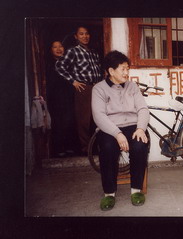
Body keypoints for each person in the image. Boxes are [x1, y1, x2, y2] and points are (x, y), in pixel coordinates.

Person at [91, 50, 150, 211]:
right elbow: (98, 116)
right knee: (108, 148)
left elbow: (143, 109)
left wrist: (140, 128)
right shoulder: (99, 89)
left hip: (133, 126)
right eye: (123, 69)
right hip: (109, 128)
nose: (126, 72)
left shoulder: (132, 86)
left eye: (127, 68)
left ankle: (136, 190)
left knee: (139, 146)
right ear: (111, 71)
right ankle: (109, 193)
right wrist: (117, 134)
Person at [56, 26, 102, 155]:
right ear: (76, 36)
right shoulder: (73, 51)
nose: (85, 36)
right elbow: (59, 66)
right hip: (84, 88)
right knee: (84, 120)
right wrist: (73, 81)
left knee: (97, 117)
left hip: (96, 87)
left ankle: (97, 147)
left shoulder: (93, 52)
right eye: (81, 34)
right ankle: (85, 149)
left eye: (87, 33)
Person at [45, 40, 76, 157]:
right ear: (50, 50)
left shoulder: (68, 63)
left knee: (70, 121)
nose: (58, 49)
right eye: (55, 47)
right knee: (58, 122)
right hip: (56, 98)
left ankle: (69, 147)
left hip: (69, 96)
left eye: (61, 46)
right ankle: (58, 149)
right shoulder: (49, 64)